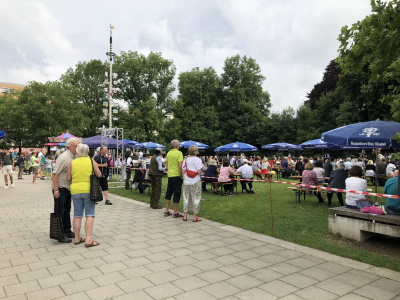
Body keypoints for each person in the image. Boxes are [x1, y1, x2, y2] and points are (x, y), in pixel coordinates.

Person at [66, 143, 102, 247]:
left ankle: (77, 238)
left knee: (77, 215)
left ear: (77, 151)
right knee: (90, 214)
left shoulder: (72, 163)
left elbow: (68, 178)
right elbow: (99, 174)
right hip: (89, 190)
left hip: (75, 190)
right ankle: (89, 239)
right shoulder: (91, 161)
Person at [52, 137, 81, 243]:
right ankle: (59, 234)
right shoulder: (64, 157)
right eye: (76, 146)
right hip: (61, 187)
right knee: (60, 210)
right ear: (69, 146)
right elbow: (55, 173)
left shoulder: (74, 156)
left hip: (68, 187)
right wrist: (56, 190)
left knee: (67, 209)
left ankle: (67, 230)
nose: (78, 148)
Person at [182, 145, 205, 222]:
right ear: (195, 151)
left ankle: (185, 215)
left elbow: (183, 171)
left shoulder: (186, 160)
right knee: (196, 198)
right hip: (195, 181)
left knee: (186, 197)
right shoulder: (198, 160)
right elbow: (199, 171)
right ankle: (195, 216)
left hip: (187, 181)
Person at [164, 139, 184, 218]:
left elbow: (167, 166)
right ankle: (175, 211)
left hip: (170, 175)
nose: (179, 146)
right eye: (179, 144)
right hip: (176, 175)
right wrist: (181, 175)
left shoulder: (168, 153)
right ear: (176, 145)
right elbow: (180, 166)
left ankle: (166, 210)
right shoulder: (179, 153)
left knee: (169, 191)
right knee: (177, 192)